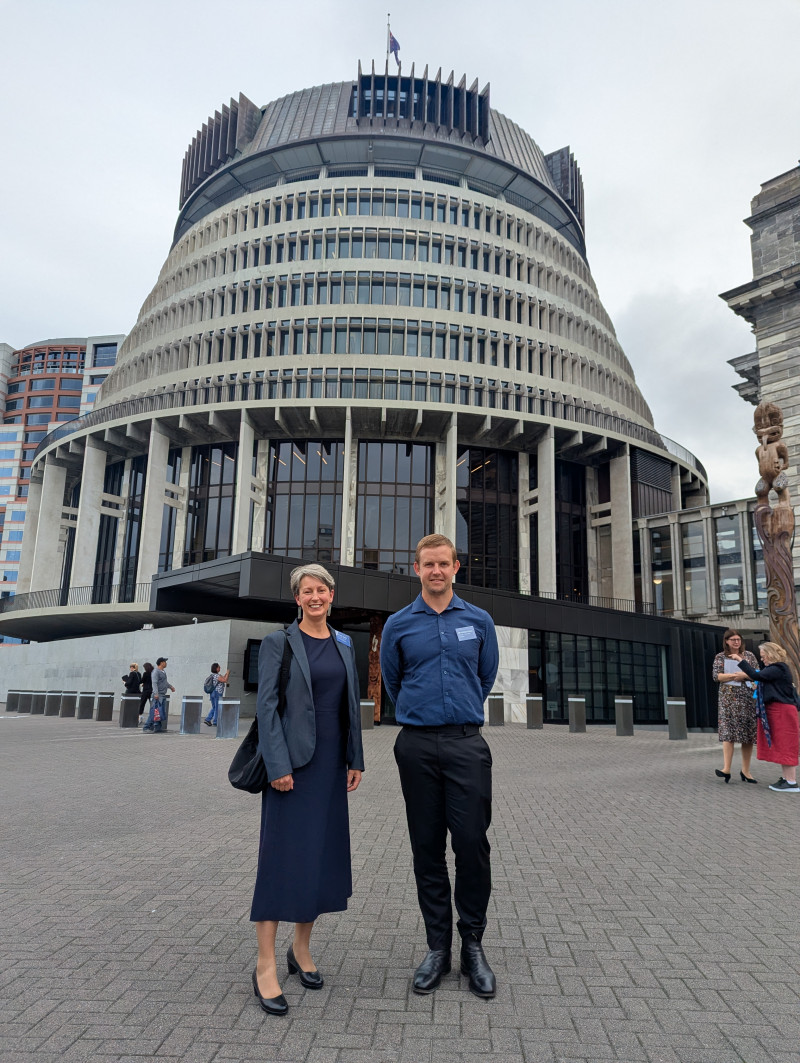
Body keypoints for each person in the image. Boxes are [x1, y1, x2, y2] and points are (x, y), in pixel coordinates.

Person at [380, 533, 500, 999]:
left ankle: (473, 946)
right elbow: (394, 681)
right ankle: (437, 948)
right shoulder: (398, 624)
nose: (436, 571)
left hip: (467, 745)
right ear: (416, 569)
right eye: (427, 564)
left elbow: (484, 675)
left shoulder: (479, 620)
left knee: (472, 844)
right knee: (426, 847)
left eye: (443, 564)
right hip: (416, 746)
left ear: (456, 567)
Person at [250, 563, 364, 1016]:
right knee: (280, 861)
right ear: (296, 598)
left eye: (322, 590)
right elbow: (266, 708)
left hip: (331, 768)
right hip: (292, 768)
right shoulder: (279, 643)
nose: (315, 597)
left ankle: (300, 950)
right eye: (306, 591)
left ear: (331, 595)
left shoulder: (344, 642)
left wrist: (356, 758)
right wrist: (277, 765)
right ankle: (264, 964)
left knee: (316, 858)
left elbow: (349, 706)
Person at [728, 642, 800, 793]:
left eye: (764, 656)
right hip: (778, 710)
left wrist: (739, 660)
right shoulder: (776, 669)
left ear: (771, 654)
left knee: (786, 744)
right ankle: (787, 779)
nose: (763, 660)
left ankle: (791, 782)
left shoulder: (778, 668)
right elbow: (763, 680)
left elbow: (757, 675)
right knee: (781, 744)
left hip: (782, 710)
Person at [711, 630, 758, 783]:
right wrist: (735, 676)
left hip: (747, 698)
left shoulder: (749, 656)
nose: (736, 642)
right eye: (733, 640)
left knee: (748, 734)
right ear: (726, 641)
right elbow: (717, 676)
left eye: (738, 639)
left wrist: (743, 676)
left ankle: (746, 770)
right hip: (728, 699)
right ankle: (726, 769)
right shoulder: (720, 657)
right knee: (728, 732)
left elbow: (757, 674)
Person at [143, 656, 174, 733]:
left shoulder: (163, 671)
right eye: (165, 662)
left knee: (159, 712)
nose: (166, 663)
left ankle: (158, 728)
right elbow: (154, 683)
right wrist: (156, 693)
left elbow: (164, 682)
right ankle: (147, 727)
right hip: (158, 695)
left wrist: (170, 687)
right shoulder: (156, 672)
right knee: (154, 711)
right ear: (161, 663)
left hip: (162, 695)